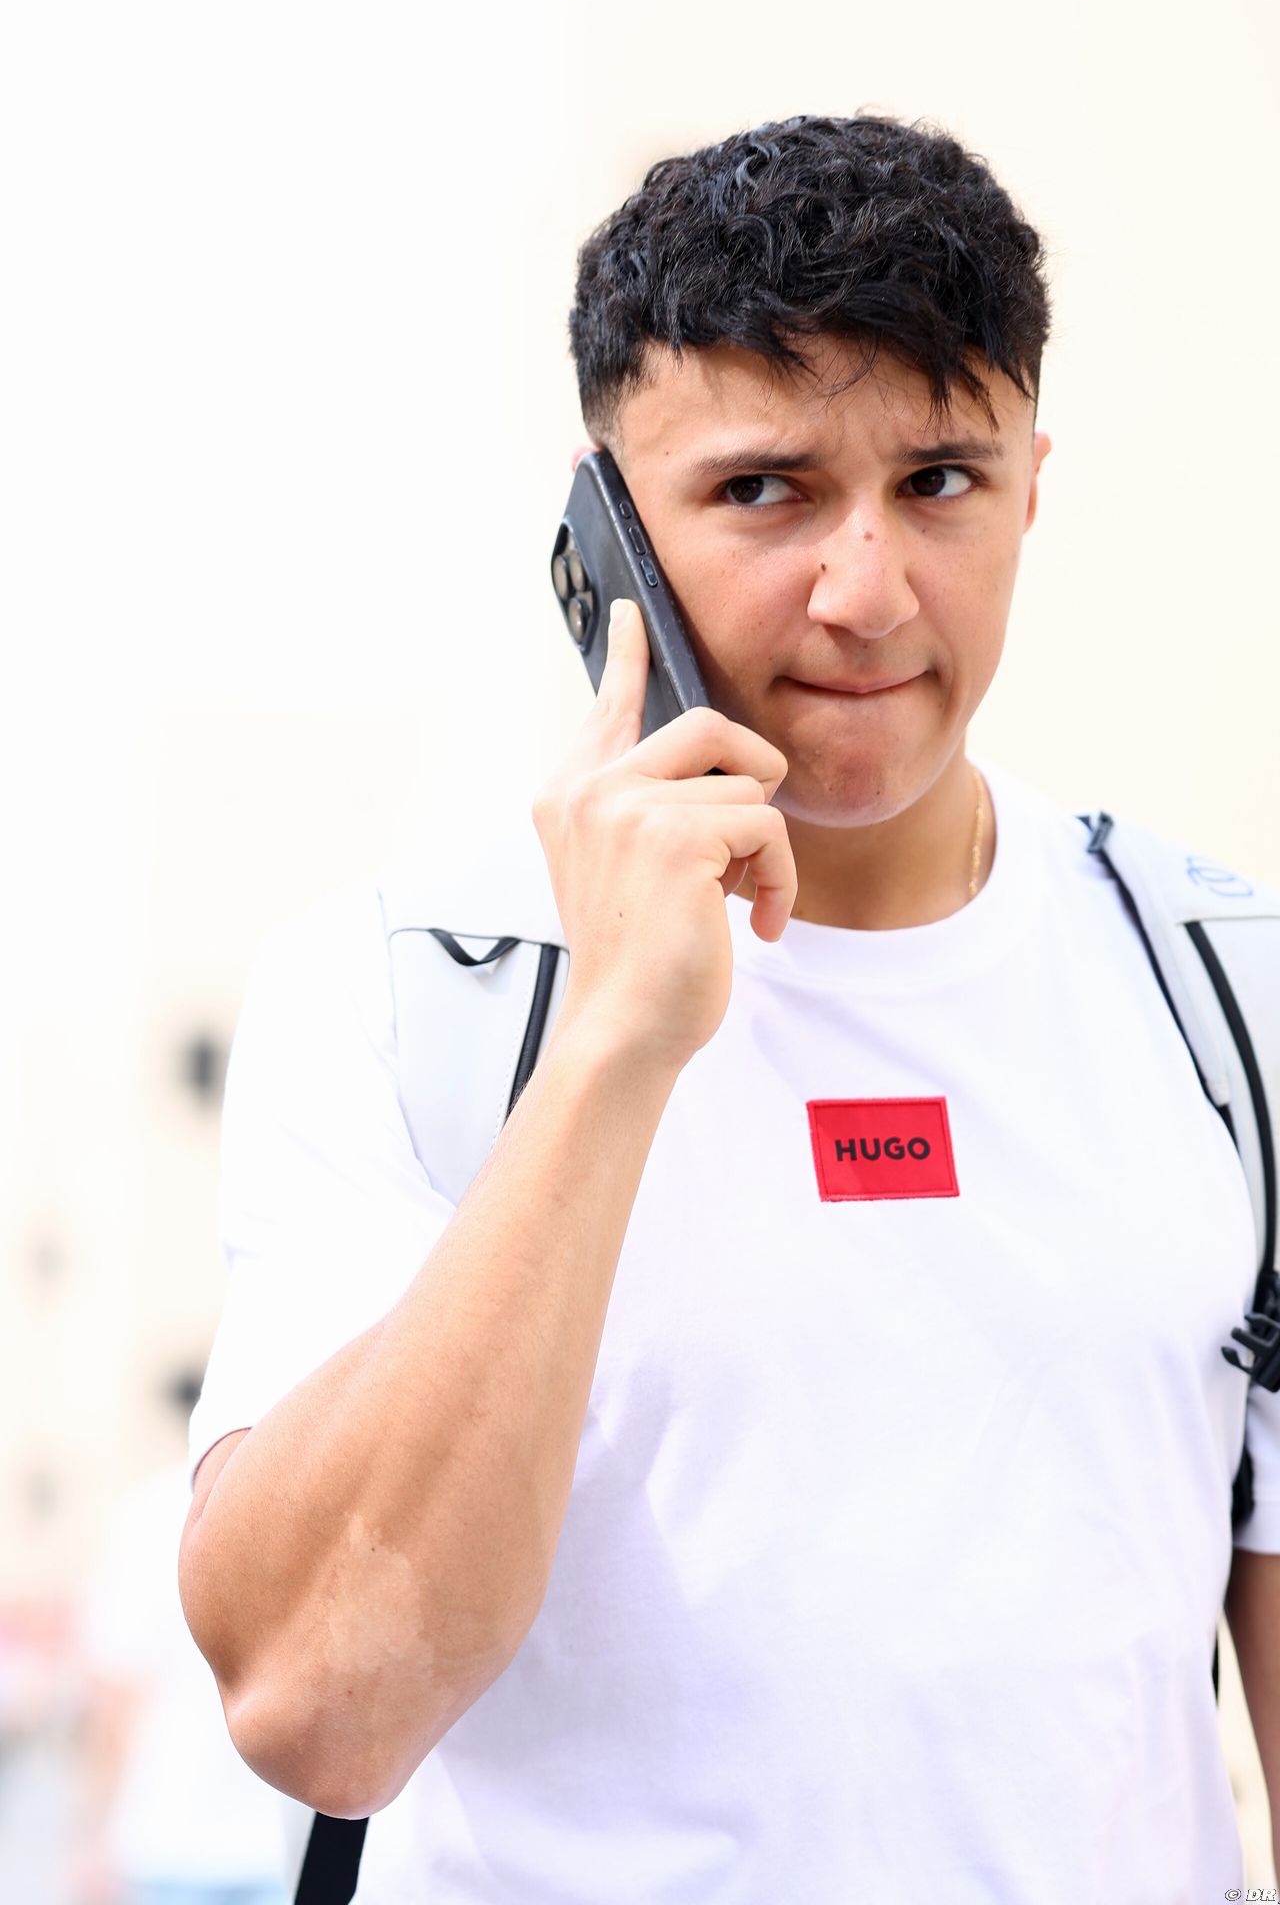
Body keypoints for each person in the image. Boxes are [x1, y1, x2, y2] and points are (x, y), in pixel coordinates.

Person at [178, 114, 1280, 1899]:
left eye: (941, 480)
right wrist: (615, 1044)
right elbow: (322, 1705)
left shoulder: (1230, 991)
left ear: (1031, 488)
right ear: (606, 526)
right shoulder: (409, 988)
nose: (867, 593)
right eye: (765, 490)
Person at [72, 1371, 290, 1905]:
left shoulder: (143, 1518)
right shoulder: (287, 1508)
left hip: (165, 1836)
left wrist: (90, 1835)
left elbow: (116, 1695)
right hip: (276, 1840)